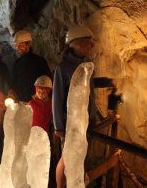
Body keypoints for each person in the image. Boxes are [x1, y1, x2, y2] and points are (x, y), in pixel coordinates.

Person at [52, 25, 96, 188]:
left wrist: (92, 115)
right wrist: (59, 125)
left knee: (77, 157)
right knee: (67, 158)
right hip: (69, 123)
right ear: (75, 44)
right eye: (87, 43)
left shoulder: (87, 65)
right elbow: (57, 97)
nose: (91, 46)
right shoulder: (62, 68)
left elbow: (89, 91)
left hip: (84, 121)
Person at [9, 30, 51, 102]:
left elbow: (47, 81)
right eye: (16, 45)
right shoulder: (17, 62)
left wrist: (42, 95)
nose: (18, 48)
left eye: (20, 45)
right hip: (20, 102)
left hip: (36, 101)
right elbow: (14, 80)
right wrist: (11, 90)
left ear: (28, 44)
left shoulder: (39, 61)